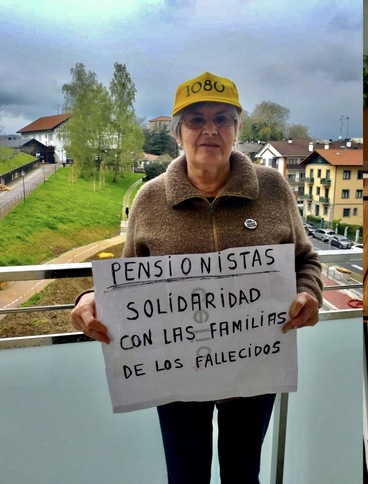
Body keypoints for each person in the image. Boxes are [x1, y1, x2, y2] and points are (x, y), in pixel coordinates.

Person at [70, 71, 323, 484]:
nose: (210, 130)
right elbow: (124, 283)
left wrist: (309, 295)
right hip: (175, 372)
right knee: (186, 475)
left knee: (244, 473)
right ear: (178, 134)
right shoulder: (150, 199)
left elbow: (307, 262)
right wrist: (89, 300)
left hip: (254, 369)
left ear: (238, 130)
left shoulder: (274, 188)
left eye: (223, 119)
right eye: (196, 120)